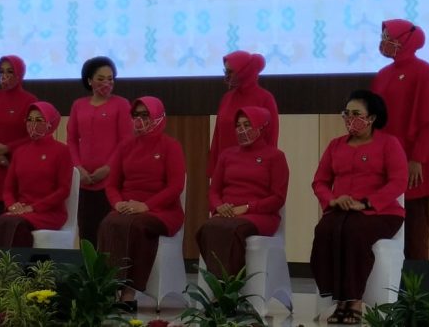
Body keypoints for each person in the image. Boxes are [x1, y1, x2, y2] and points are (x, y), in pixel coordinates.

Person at [310, 90, 407, 325]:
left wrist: (366, 202)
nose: (350, 119)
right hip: (342, 211)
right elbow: (320, 181)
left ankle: (353, 302)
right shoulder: (335, 145)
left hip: (380, 212)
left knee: (354, 232)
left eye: (356, 114)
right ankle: (338, 300)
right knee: (324, 231)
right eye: (347, 114)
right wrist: (333, 200)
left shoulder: (389, 143)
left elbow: (398, 182)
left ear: (371, 118)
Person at [370, 19, 429, 260]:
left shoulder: (425, 73)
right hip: (385, 160)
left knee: (415, 227)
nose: (384, 42)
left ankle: (415, 282)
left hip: (414, 162)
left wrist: (417, 159)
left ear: (405, 40)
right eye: (383, 37)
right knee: (383, 224)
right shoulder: (383, 75)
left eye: (389, 37)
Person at [97, 96, 185, 311]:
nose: (139, 120)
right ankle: (108, 287)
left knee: (136, 225)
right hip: (127, 208)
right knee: (108, 223)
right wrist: (118, 203)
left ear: (158, 116)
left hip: (162, 211)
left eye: (145, 115)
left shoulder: (170, 146)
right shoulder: (125, 146)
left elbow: (175, 186)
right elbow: (112, 184)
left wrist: (146, 206)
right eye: (136, 115)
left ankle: (128, 292)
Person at [196, 106, 289, 278]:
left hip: (261, 216)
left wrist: (246, 208)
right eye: (238, 126)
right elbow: (214, 191)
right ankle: (218, 284)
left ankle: (231, 285)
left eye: (247, 125)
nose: (242, 130)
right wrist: (219, 206)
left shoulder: (275, 157)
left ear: (261, 126)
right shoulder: (227, 155)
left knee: (234, 230)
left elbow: (278, 198)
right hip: (228, 213)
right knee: (207, 228)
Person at [0, 55, 37, 267]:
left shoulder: (29, 100)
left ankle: (14, 270)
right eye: (1, 72)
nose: (5, 76)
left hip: (17, 165)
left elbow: (32, 135)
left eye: (10, 72)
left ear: (20, 74)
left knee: (13, 220)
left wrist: (8, 149)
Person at [0, 102, 72, 255]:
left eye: (39, 120)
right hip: (22, 210)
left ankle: (20, 268)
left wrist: (33, 208)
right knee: (0, 221)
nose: (33, 124)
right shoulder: (20, 152)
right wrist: (12, 206)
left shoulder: (62, 151)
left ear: (50, 123)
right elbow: (8, 188)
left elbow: (63, 190)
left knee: (16, 225)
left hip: (49, 212)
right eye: (30, 119)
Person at [66, 56, 132, 245]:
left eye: (110, 79)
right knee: (87, 230)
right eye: (101, 79)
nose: (106, 83)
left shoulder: (121, 104)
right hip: (84, 180)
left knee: (109, 231)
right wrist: (78, 167)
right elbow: (71, 140)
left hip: (111, 179)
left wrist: (108, 168)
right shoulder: (78, 105)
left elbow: (126, 141)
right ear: (89, 81)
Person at [207, 51, 278, 179]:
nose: (226, 75)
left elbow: (271, 137)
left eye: (230, 71)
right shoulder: (227, 98)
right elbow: (217, 136)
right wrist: (214, 170)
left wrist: (268, 168)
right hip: (226, 169)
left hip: (254, 170)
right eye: (225, 71)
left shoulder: (265, 98)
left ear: (244, 71)